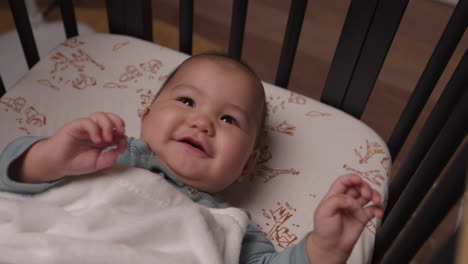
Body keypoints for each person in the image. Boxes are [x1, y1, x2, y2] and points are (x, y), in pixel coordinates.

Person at [0, 53, 383, 264]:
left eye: (229, 119)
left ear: (247, 165)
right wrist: (50, 158)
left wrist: (325, 249)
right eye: (187, 101)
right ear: (146, 119)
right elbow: (11, 184)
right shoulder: (102, 156)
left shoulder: (231, 226)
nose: (202, 122)